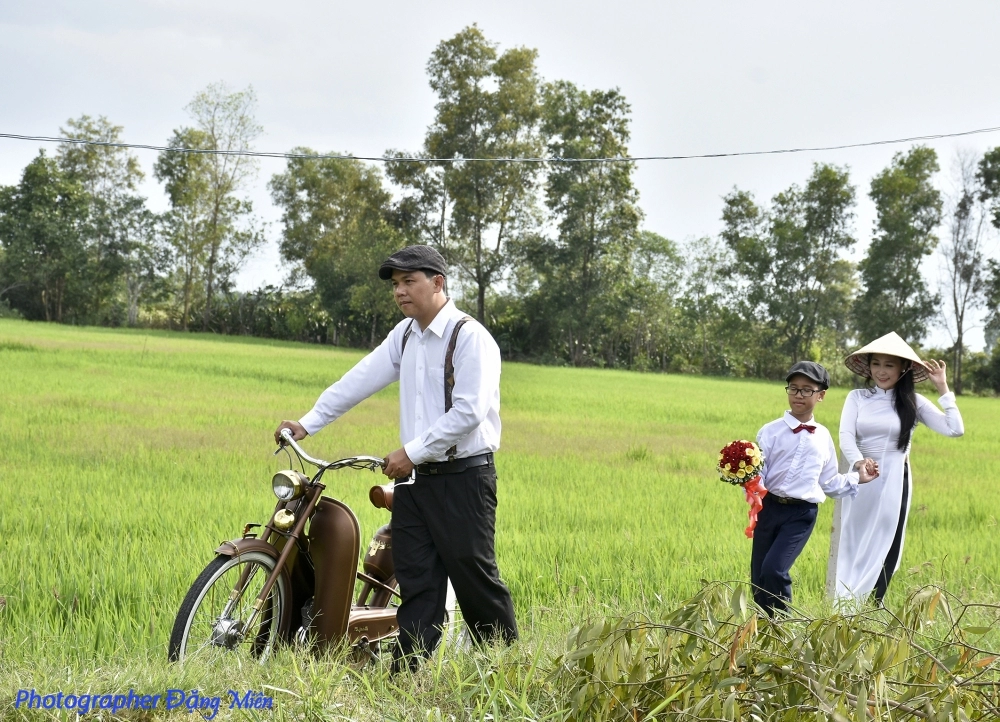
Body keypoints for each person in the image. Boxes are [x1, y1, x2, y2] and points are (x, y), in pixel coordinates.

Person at [273, 245, 518, 670]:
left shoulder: (469, 338)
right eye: (395, 284)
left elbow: (469, 411)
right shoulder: (405, 335)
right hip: (414, 483)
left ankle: (506, 668)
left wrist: (412, 451)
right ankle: (407, 674)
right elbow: (359, 380)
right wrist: (308, 423)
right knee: (419, 582)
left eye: (409, 281)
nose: (400, 291)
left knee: (474, 578)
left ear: (437, 283)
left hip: (463, 479)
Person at [834, 332, 964, 604]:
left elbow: (955, 429)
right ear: (868, 366)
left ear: (903, 368)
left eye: (889, 365)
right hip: (861, 480)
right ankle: (844, 608)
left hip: (895, 481)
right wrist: (859, 462)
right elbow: (845, 435)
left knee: (886, 541)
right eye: (876, 363)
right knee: (853, 540)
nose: (881, 371)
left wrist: (942, 388)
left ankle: (872, 606)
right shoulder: (857, 397)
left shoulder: (913, 403)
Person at [751, 361, 878, 617]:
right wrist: (744, 474)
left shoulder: (823, 437)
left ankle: (782, 625)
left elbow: (829, 483)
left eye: (807, 389)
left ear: (821, 395)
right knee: (759, 579)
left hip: (801, 515)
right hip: (769, 508)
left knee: (775, 569)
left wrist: (858, 478)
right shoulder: (770, 431)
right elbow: (759, 472)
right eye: (794, 388)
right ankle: (761, 631)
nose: (799, 395)